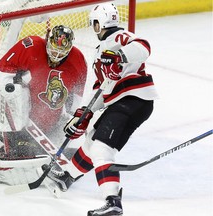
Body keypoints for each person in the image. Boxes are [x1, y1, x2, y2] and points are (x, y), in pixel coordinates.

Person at [46, 3, 159, 216]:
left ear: (100, 23)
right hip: (121, 101)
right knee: (91, 140)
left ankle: (112, 201)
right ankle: (66, 177)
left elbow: (144, 47)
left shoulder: (119, 38)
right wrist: (83, 115)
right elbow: (101, 88)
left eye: (94, 24)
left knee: (101, 148)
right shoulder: (102, 50)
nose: (93, 28)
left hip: (134, 98)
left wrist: (120, 56)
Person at [0, 25, 87, 192]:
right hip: (21, 121)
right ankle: (7, 145)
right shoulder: (30, 46)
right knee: (15, 93)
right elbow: (1, 73)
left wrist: (73, 118)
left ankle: (39, 149)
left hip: (49, 124)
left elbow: (75, 101)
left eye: (61, 53)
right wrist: (18, 84)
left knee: (77, 122)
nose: (55, 57)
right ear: (47, 41)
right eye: (53, 50)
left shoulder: (78, 61)